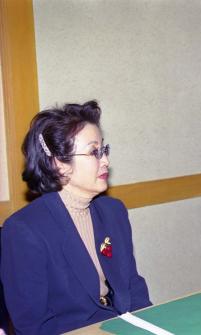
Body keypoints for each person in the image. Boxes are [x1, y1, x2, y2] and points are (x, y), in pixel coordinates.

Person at [1, 101, 151, 334]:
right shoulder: (24, 230)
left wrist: (152, 327)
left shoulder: (114, 211)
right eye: (94, 152)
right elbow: (33, 326)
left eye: (104, 150)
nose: (106, 161)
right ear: (59, 163)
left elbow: (133, 288)